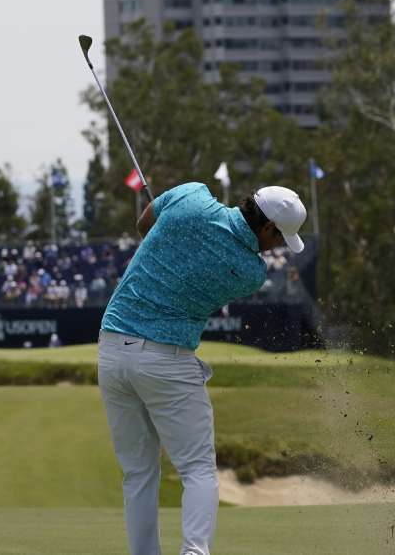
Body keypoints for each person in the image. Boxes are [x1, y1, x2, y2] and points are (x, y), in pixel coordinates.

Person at [97, 183, 307, 555]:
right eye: (280, 238)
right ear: (268, 228)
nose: (276, 247)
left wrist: (171, 229)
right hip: (167, 360)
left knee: (138, 473)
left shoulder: (191, 195)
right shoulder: (249, 271)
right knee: (197, 470)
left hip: (112, 348)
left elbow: (145, 223)